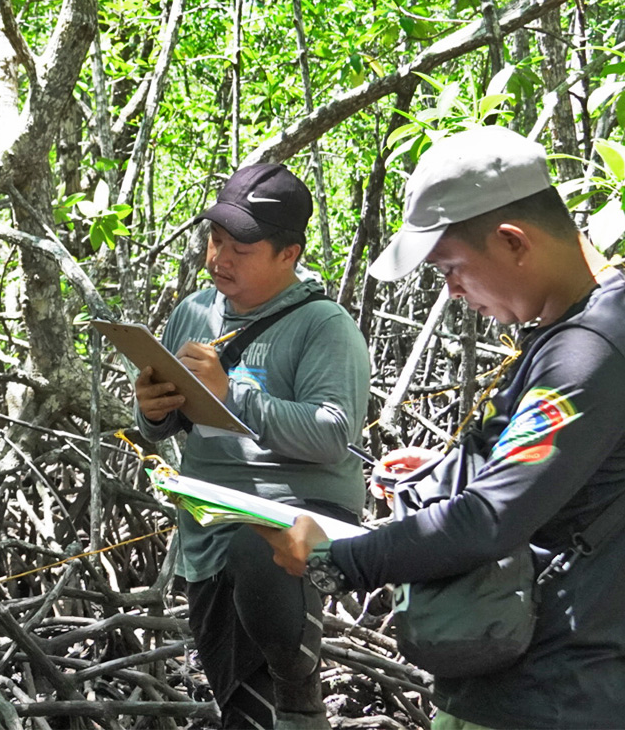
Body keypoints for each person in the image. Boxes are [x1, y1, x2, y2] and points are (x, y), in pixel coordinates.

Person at [260, 125, 625, 730]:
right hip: (519, 679)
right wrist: (444, 469)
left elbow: (489, 520)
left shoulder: (590, 352)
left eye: (452, 268)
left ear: (513, 241)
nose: (452, 291)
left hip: (554, 696)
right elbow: (561, 478)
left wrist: (337, 559)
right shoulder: (575, 329)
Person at [136, 163, 370, 730]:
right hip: (207, 526)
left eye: (240, 247)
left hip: (298, 519)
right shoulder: (192, 313)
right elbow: (168, 427)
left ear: (288, 255)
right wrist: (153, 411)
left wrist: (232, 391)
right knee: (236, 700)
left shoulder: (323, 325)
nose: (219, 258)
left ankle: (298, 684)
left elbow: (331, 434)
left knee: (254, 557)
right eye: (215, 240)